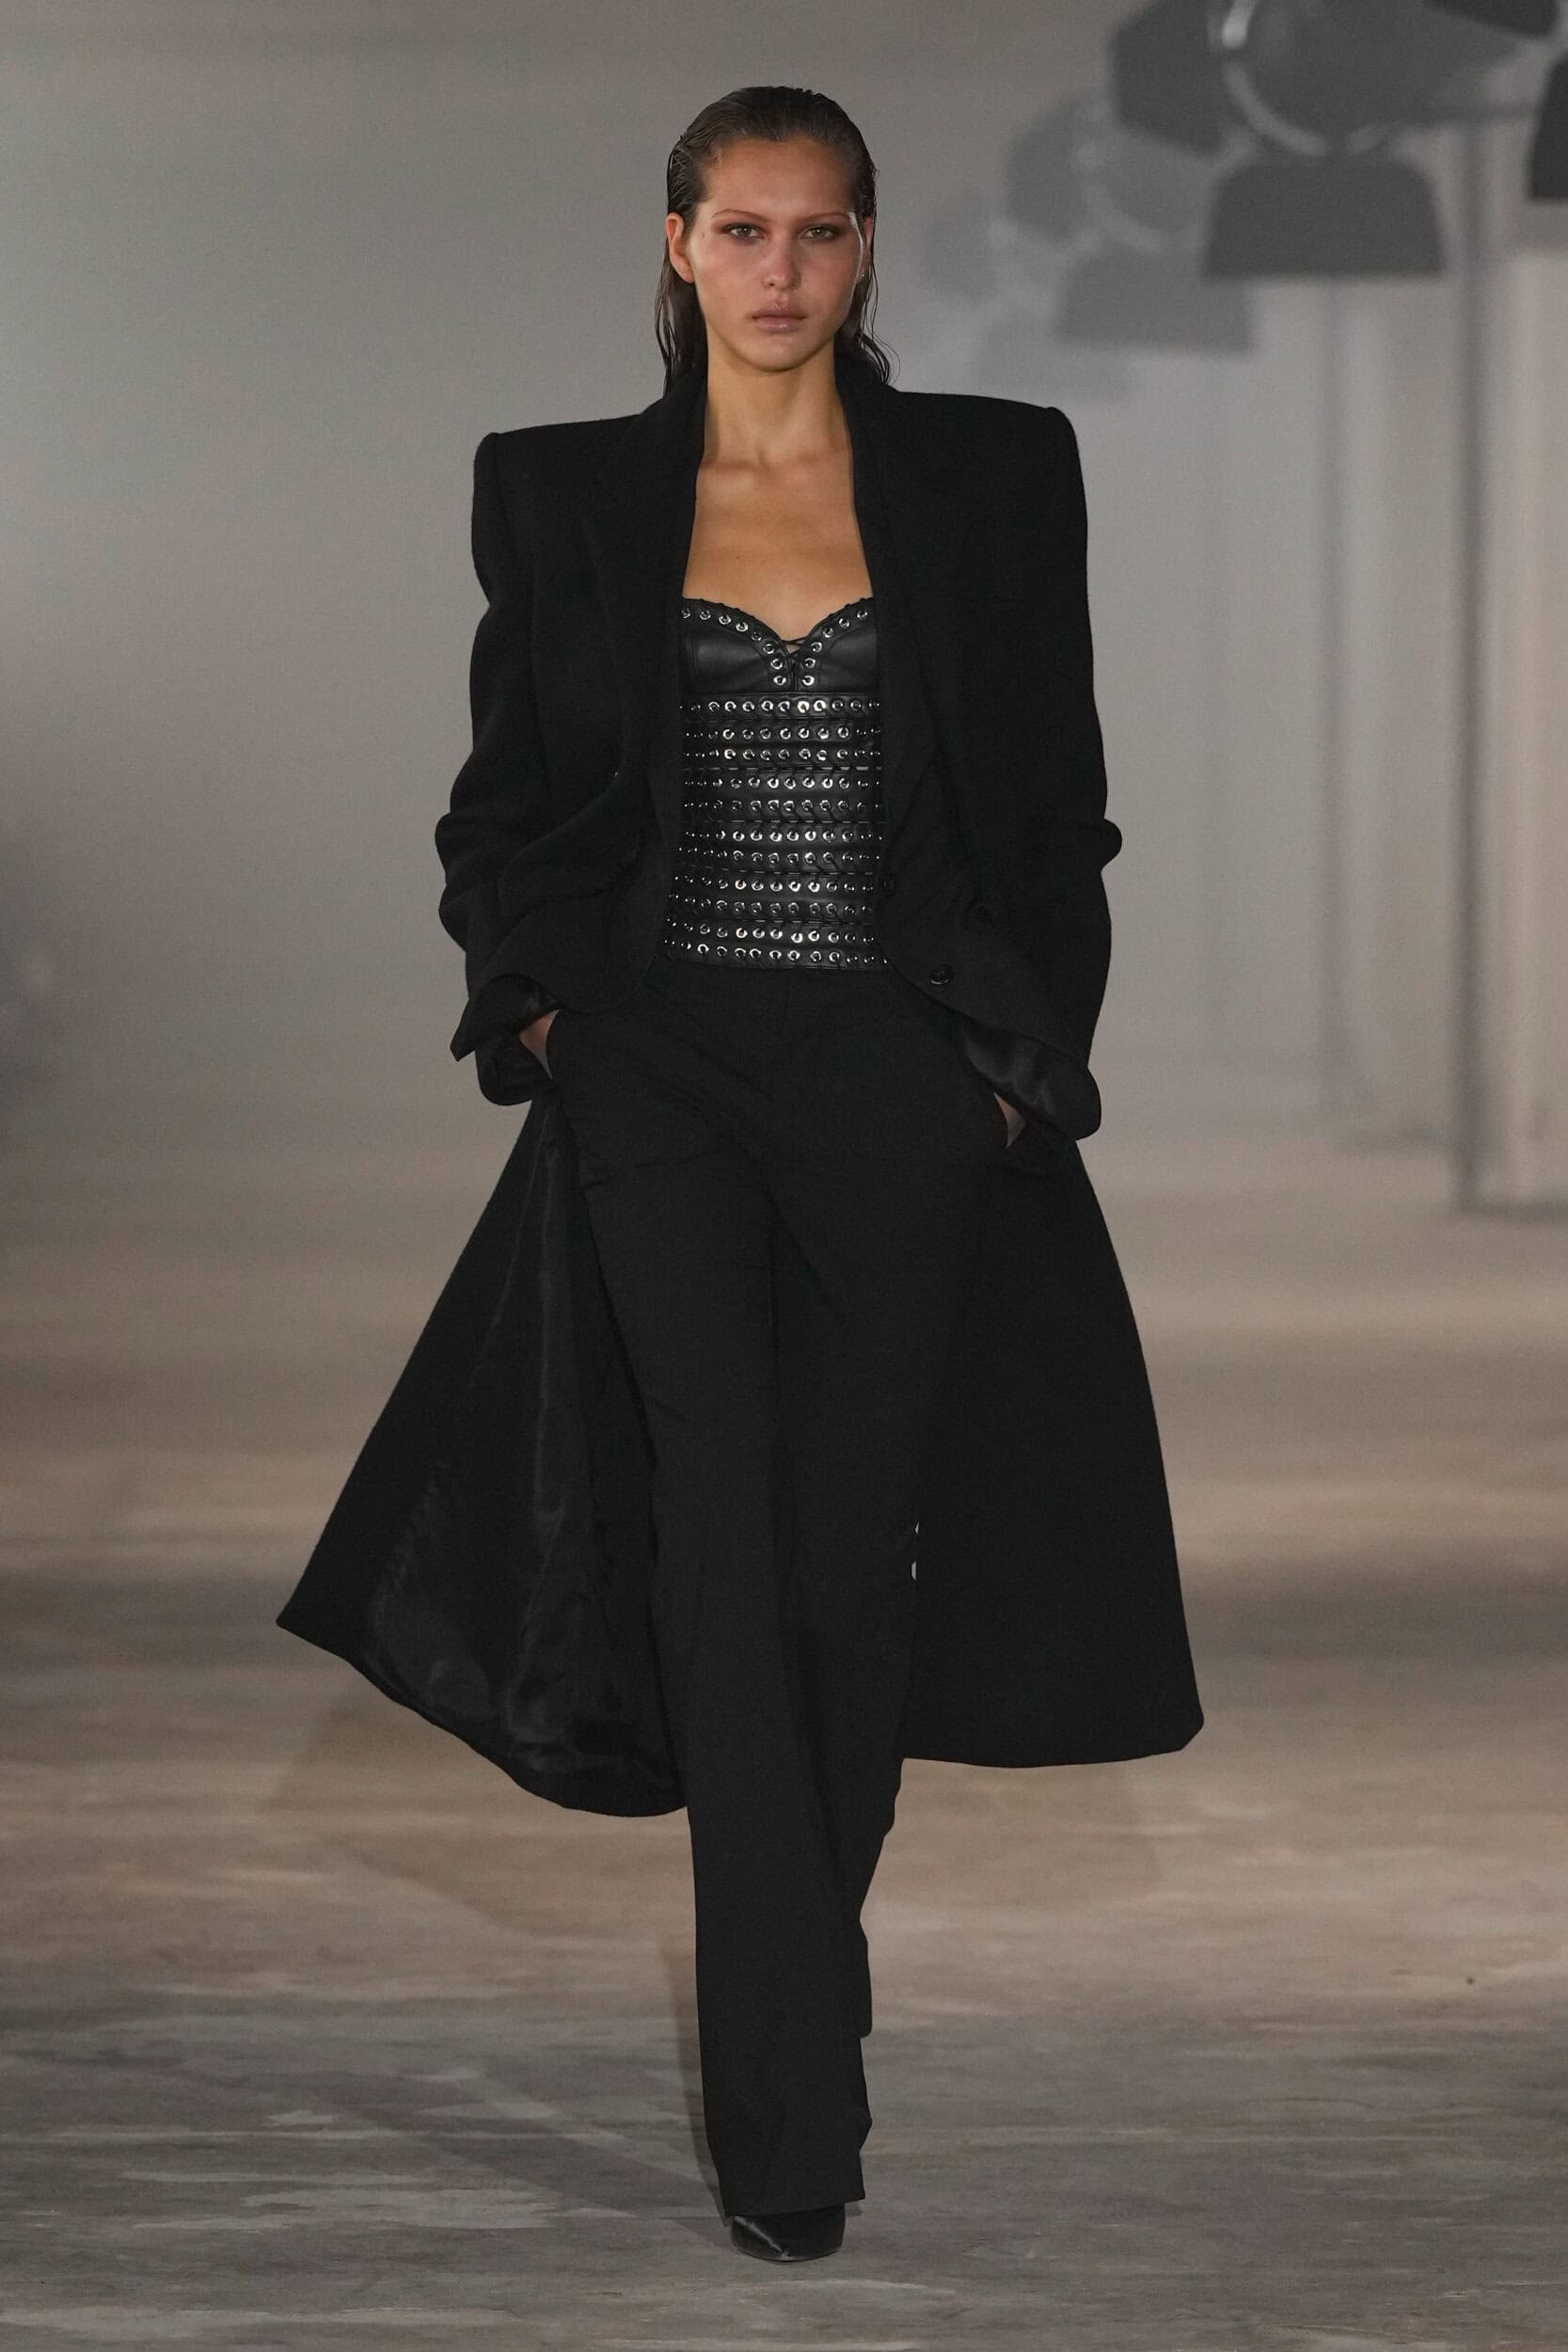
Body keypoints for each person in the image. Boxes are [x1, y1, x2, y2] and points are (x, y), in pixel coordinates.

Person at [278, 80, 1205, 2270]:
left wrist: (1014, 1071)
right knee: (716, 1532)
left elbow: (1056, 809)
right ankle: (791, 2103)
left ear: (867, 250)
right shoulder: (564, 489)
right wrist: (541, 1012)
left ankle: (795, 1966)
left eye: (822, 229)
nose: (783, 268)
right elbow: (509, 799)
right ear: (678, 244)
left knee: (843, 1556)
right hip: (664, 1070)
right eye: (745, 227)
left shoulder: (993, 473)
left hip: (902, 1070)